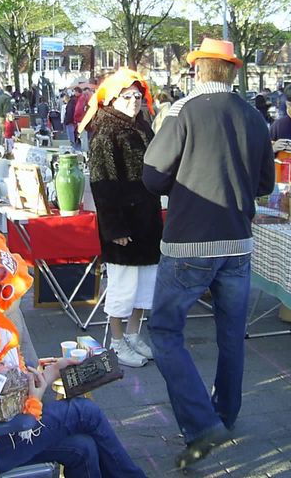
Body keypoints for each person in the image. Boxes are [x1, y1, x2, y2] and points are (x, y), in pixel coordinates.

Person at [142, 38, 275, 468]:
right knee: (232, 333)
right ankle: (225, 414)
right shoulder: (253, 116)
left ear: (199, 69)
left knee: (164, 332)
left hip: (188, 244)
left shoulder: (183, 111)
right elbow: (265, 184)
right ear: (232, 71)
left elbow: (152, 176)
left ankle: (202, 424)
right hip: (237, 242)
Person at [0, 232, 146, 478]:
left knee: (83, 448)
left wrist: (49, 372)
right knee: (85, 412)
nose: (5, 302)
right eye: (3, 293)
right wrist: (37, 394)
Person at [79, 69, 163, 368]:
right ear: (113, 98)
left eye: (138, 97)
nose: (134, 102)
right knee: (123, 286)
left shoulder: (143, 126)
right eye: (127, 97)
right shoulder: (105, 132)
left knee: (145, 286)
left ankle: (133, 334)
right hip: (123, 222)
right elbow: (102, 183)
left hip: (147, 218)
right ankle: (115, 342)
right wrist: (114, 227)